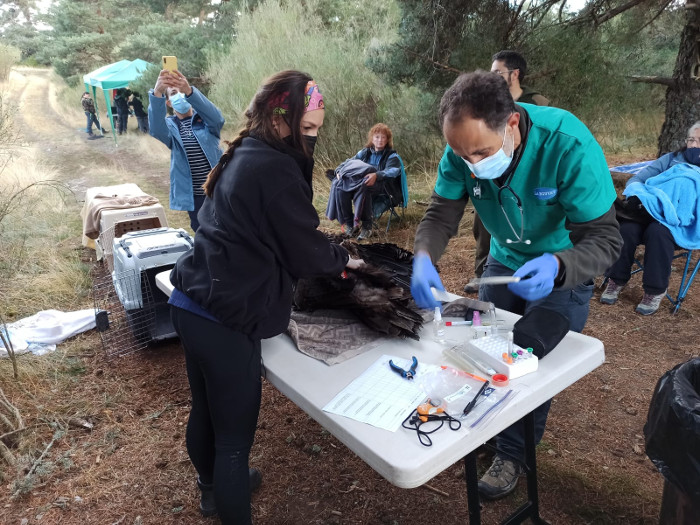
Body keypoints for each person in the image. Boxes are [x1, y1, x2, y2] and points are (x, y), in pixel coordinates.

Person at [410, 71, 621, 500]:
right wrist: (423, 256)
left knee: (527, 363)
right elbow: (440, 214)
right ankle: (487, 428)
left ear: (511, 124)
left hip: (560, 271)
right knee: (486, 351)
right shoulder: (462, 149)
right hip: (501, 264)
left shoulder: (568, 145)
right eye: (460, 154)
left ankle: (513, 453)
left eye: (481, 153)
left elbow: (606, 238)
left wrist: (561, 266)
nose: (471, 164)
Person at [168, 70, 364, 524]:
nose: (313, 138)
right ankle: (227, 495)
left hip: (190, 304)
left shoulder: (245, 153)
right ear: (281, 120)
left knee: (205, 409)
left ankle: (211, 491)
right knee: (234, 440)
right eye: (308, 128)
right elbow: (302, 247)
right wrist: (341, 259)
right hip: (224, 319)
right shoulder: (275, 168)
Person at [465, 50, 552, 294]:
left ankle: (534, 272)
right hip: (491, 178)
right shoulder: (486, 101)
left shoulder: (538, 102)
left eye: (497, 73)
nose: (491, 77)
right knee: (483, 226)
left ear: (515, 74)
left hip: (527, 180)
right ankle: (482, 273)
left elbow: (543, 138)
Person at [601, 121, 700, 315]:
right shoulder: (671, 160)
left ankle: (654, 291)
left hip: (681, 224)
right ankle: (615, 280)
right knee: (627, 229)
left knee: (659, 232)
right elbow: (636, 180)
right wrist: (646, 196)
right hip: (648, 213)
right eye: (691, 140)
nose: (694, 145)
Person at [148, 70, 224, 231]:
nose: (180, 95)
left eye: (182, 91)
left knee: (227, 229)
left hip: (219, 190)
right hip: (195, 196)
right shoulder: (171, 127)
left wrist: (189, 91)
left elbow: (218, 118)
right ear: (168, 102)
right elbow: (156, 129)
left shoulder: (206, 122)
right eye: (174, 92)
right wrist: (157, 93)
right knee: (202, 231)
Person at [325, 123, 404, 241]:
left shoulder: (392, 156)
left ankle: (367, 227)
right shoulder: (365, 152)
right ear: (372, 138)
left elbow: (393, 171)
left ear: (387, 140)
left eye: (383, 137)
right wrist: (339, 170)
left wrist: (377, 175)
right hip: (358, 184)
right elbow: (349, 162)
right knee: (341, 188)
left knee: (364, 187)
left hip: (383, 186)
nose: (380, 140)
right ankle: (350, 224)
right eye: (377, 137)